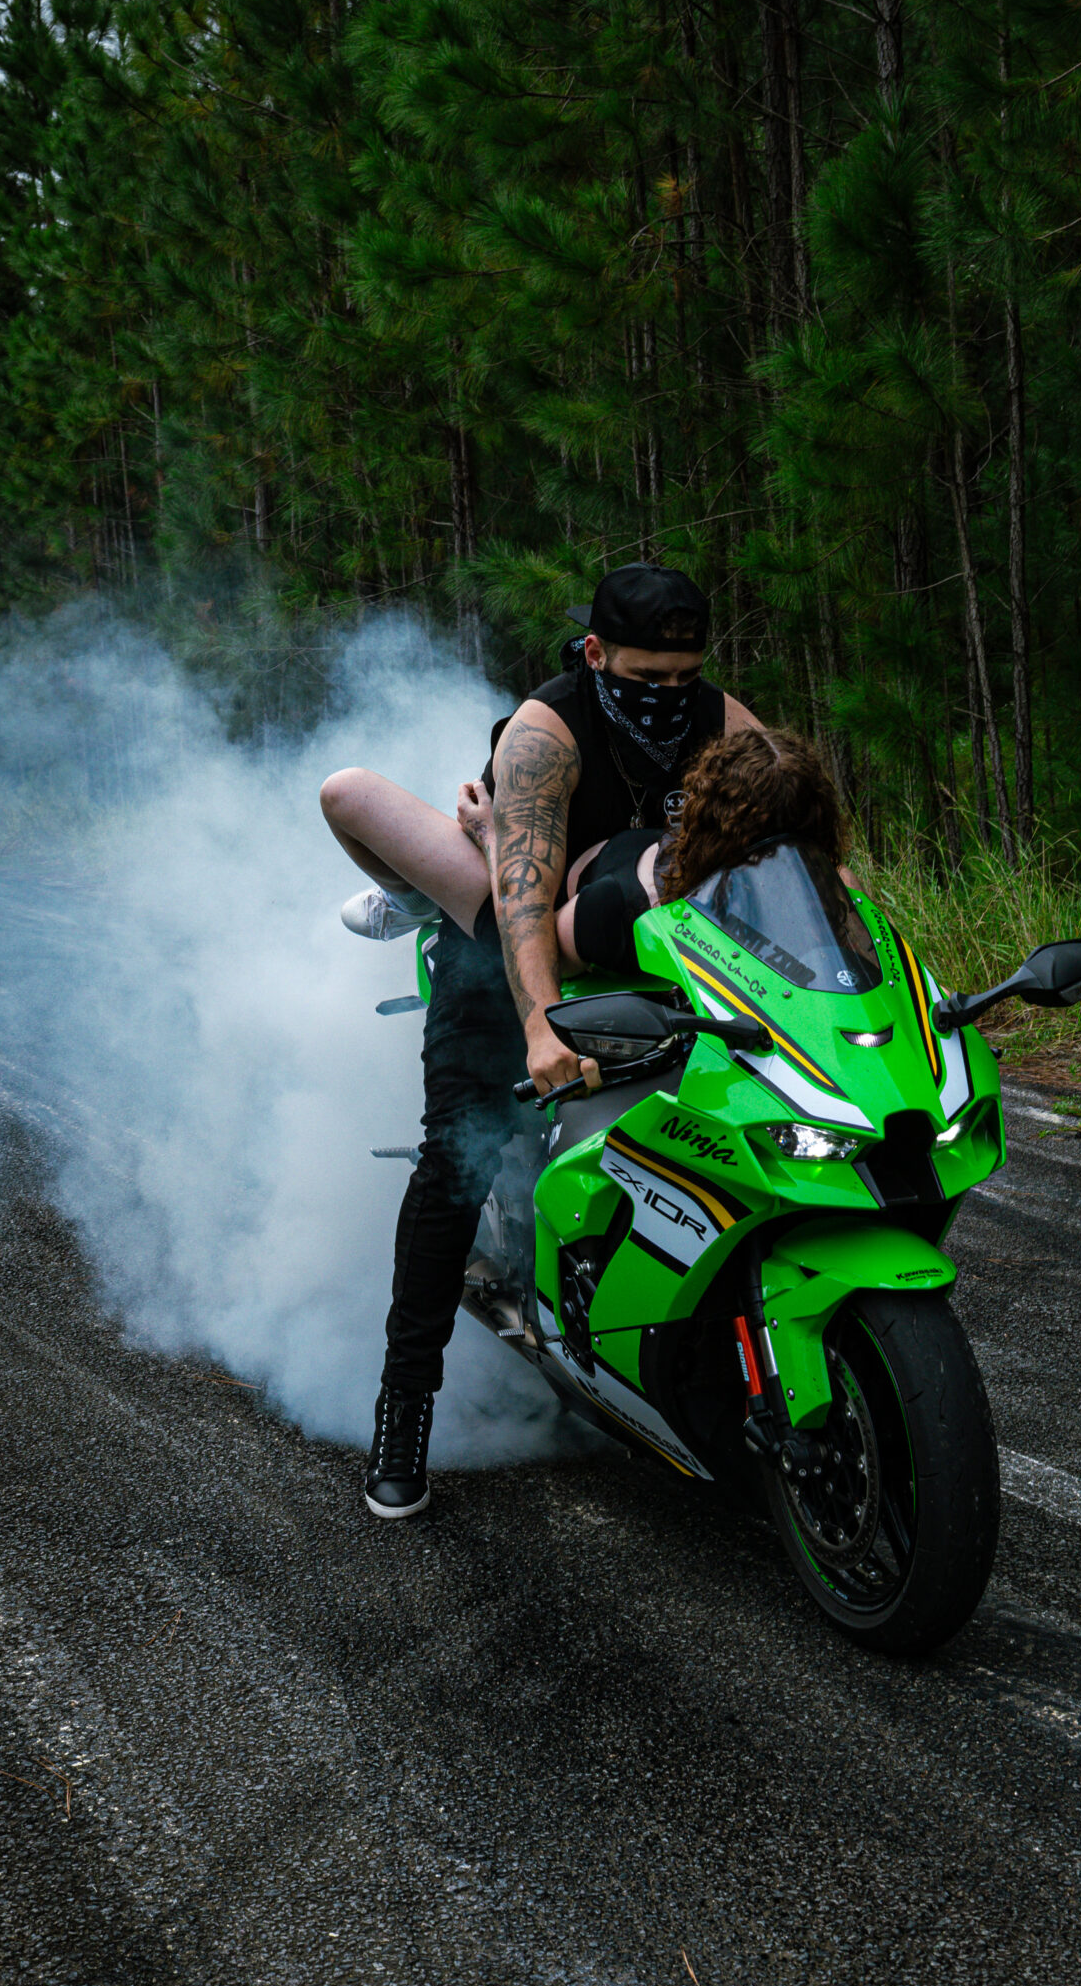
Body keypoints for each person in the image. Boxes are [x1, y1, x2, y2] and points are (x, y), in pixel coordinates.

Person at [319, 563, 760, 1521]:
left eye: (684, 677)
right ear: (596, 654)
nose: (668, 696)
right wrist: (537, 1027)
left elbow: (804, 852)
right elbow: (522, 905)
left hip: (649, 951)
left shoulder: (724, 721)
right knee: (455, 1161)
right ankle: (404, 1410)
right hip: (505, 939)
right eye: (646, 677)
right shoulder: (544, 734)